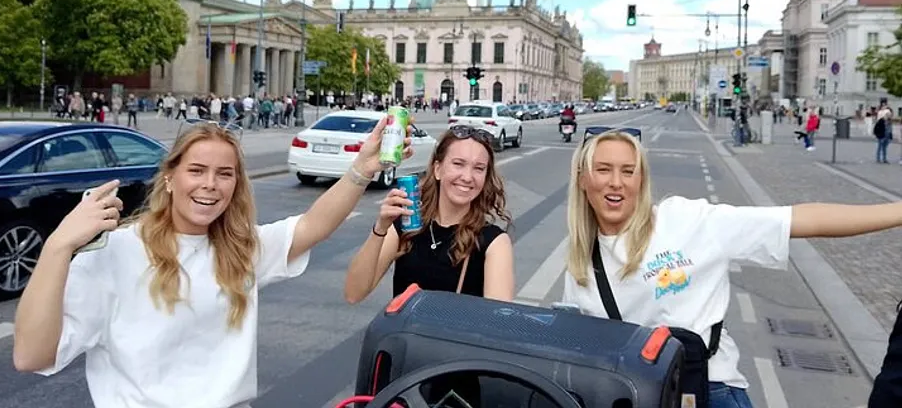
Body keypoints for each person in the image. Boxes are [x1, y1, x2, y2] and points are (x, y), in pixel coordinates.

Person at [12, 118, 412, 408]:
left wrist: (360, 170)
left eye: (225, 174)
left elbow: (311, 226)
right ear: (169, 177)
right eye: (197, 171)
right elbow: (32, 356)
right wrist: (58, 247)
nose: (210, 185)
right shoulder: (115, 252)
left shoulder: (239, 249)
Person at [561, 129, 902, 408]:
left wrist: (899, 211)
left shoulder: (686, 220)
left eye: (628, 170)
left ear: (642, 179)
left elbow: (800, 219)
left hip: (710, 390)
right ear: (582, 179)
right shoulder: (579, 259)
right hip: (637, 398)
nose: (616, 182)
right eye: (603, 169)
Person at [344, 125, 515, 406]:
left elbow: (497, 333)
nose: (467, 177)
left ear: (486, 178)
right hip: (399, 376)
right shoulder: (406, 226)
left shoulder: (493, 242)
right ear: (437, 169)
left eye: (478, 168)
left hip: (452, 384)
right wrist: (380, 227)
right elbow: (353, 292)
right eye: (458, 164)